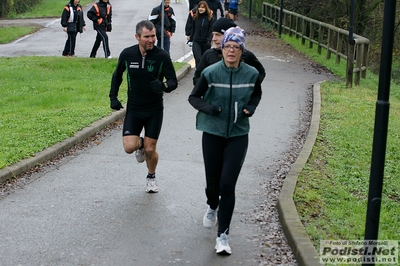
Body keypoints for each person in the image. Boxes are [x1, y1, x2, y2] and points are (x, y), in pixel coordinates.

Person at [188, 26, 262, 255]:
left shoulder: (251, 74)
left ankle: (223, 236)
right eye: (227, 46)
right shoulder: (210, 73)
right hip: (212, 132)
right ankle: (212, 204)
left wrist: (250, 108)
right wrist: (210, 109)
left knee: (227, 184)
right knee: (213, 184)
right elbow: (194, 98)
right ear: (222, 48)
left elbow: (257, 93)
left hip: (238, 134)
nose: (231, 50)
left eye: (236, 47)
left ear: (242, 50)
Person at [109, 20, 178, 193]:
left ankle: (151, 176)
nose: (151, 40)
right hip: (134, 108)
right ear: (137, 37)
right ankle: (140, 144)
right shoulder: (127, 54)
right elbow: (117, 75)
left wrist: (163, 86)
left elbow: (173, 82)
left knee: (150, 148)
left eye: (153, 36)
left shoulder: (161, 56)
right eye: (147, 36)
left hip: (154, 109)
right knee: (129, 147)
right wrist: (113, 97)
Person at [193, 17, 266, 86]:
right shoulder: (209, 55)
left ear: (229, 35)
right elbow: (197, 77)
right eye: (213, 35)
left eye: (218, 35)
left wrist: (249, 90)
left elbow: (261, 72)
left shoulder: (246, 55)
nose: (214, 39)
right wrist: (208, 90)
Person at [185, 1, 214, 68]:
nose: (201, 9)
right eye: (200, 7)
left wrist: (209, 40)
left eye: (203, 8)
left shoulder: (210, 18)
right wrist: (190, 37)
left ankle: (203, 73)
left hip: (205, 42)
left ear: (206, 8)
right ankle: (198, 74)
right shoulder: (195, 17)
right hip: (196, 41)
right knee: (198, 58)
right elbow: (193, 29)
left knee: (204, 60)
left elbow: (211, 30)